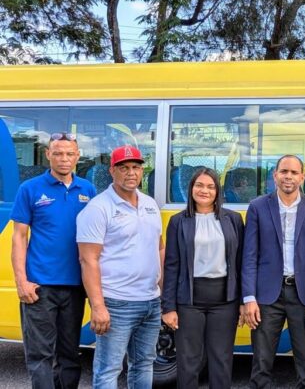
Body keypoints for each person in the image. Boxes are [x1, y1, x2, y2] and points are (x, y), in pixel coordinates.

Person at [10, 132, 96, 389]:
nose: (63, 158)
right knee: (41, 356)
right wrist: (21, 281)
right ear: (48, 154)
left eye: (69, 153)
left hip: (75, 286)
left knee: (69, 355)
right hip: (40, 286)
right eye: (57, 153)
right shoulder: (30, 189)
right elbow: (19, 237)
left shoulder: (88, 190)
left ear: (78, 156)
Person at [76, 145, 164, 389]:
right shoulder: (98, 208)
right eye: (123, 168)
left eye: (135, 167)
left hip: (150, 301)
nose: (131, 173)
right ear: (112, 171)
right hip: (116, 302)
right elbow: (88, 260)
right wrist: (98, 306)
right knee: (109, 369)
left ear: (142, 171)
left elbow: (159, 247)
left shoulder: (150, 204)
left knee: (144, 364)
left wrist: (162, 291)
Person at [242, 155, 305, 389]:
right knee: (261, 362)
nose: (288, 176)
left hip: (303, 294)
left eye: (294, 172)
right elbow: (249, 256)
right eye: (284, 171)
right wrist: (249, 297)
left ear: (302, 177)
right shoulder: (258, 207)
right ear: (275, 175)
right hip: (267, 295)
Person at [161, 168, 245, 388]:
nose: (204, 191)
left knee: (221, 360)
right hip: (189, 301)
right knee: (188, 362)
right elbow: (171, 265)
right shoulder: (178, 221)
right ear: (191, 189)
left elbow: (241, 264)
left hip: (225, 301)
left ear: (218, 191)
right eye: (199, 185)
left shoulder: (233, 219)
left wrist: (243, 301)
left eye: (210, 186)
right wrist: (168, 307)